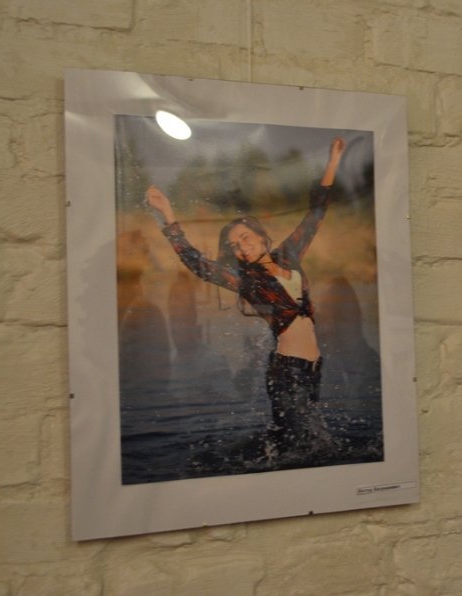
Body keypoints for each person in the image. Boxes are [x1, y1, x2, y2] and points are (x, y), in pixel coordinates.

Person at [145, 137, 347, 453]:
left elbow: (316, 214)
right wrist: (167, 214)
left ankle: (255, 459)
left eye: (245, 237)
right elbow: (198, 264)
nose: (241, 247)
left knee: (302, 441)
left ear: (262, 237)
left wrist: (333, 162)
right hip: (287, 370)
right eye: (234, 246)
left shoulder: (289, 256)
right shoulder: (246, 281)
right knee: (299, 444)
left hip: (313, 367)